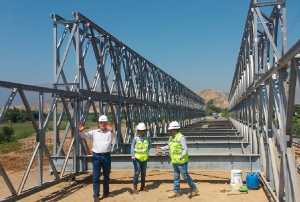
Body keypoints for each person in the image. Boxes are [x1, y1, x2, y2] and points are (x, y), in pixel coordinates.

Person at [155, 121, 199, 198]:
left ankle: (194, 189)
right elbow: (168, 146)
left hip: (181, 161)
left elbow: (185, 148)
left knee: (185, 176)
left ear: (175, 130)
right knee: (176, 176)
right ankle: (176, 192)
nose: (169, 131)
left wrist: (182, 155)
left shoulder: (181, 137)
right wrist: (161, 148)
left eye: (170, 130)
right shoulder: (171, 137)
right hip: (175, 160)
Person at [78, 115, 116, 202]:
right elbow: (85, 136)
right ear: (99, 123)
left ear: (106, 123)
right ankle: (96, 195)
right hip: (96, 156)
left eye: (104, 122)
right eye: (101, 122)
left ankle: (106, 192)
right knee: (96, 176)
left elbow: (114, 135)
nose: (102, 124)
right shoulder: (94, 132)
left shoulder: (109, 132)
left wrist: (112, 131)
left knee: (106, 175)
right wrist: (81, 131)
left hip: (106, 156)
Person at [131, 123, 152, 194]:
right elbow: (132, 147)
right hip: (137, 158)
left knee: (143, 172)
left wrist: (147, 151)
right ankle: (135, 187)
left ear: (144, 131)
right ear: (138, 131)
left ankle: (143, 186)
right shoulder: (135, 139)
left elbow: (150, 144)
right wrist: (133, 156)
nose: (141, 132)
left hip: (144, 158)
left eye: (142, 130)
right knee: (137, 172)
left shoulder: (147, 138)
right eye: (139, 130)